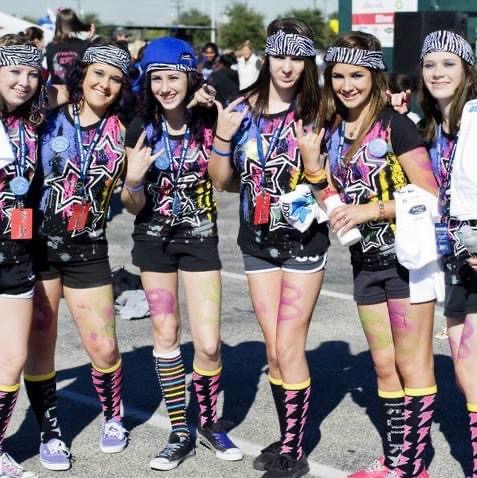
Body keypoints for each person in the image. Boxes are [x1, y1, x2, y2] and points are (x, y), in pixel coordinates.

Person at [298, 31, 438, 478]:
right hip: (365, 265)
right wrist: (315, 169)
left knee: (411, 363)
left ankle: (414, 465)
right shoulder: (335, 129)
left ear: (374, 75)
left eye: (356, 74)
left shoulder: (396, 126)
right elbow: (331, 196)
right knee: (382, 365)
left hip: (408, 263)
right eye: (338, 75)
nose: (346, 84)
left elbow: (433, 197)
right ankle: (397, 458)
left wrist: (370, 211)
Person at [208, 18, 328, 478]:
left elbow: (330, 179)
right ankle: (289, 433)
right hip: (256, 242)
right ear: (267, 56)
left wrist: (316, 168)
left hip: (303, 242)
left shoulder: (318, 111)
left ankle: (293, 450)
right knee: (274, 348)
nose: (289, 66)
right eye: (282, 55)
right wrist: (221, 136)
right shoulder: (241, 109)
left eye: (298, 57)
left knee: (289, 343)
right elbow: (221, 182)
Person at [121, 36, 243, 471]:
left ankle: (209, 422)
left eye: (173, 77)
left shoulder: (209, 122)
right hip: (152, 241)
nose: (165, 86)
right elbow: (130, 204)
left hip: (199, 239)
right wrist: (133, 183)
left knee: (208, 344)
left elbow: (226, 181)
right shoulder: (140, 127)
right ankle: (179, 432)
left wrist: (217, 111)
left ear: (190, 77)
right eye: (157, 78)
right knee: (166, 333)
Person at [24, 39, 131, 471]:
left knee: (103, 346)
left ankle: (113, 416)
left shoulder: (127, 128)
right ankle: (50, 432)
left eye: (116, 79)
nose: (105, 84)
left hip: (89, 251)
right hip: (38, 248)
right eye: (99, 73)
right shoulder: (45, 118)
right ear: (82, 73)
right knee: (40, 345)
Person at [418, 30, 477, 478]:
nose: (438, 72)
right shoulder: (437, 125)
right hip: (456, 260)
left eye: (448, 64)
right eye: (430, 64)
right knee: (464, 371)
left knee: (473, 371)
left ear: (467, 70)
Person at [0, 34, 43, 478]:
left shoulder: (29, 125)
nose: (24, 81)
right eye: (14, 70)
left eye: (32, 73)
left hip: (16, 253)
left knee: (12, 357)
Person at [45, 8, 94, 85]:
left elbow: (50, 70)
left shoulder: (50, 47)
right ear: (75, 23)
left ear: (58, 24)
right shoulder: (84, 45)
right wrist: (90, 37)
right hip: (77, 92)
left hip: (56, 93)